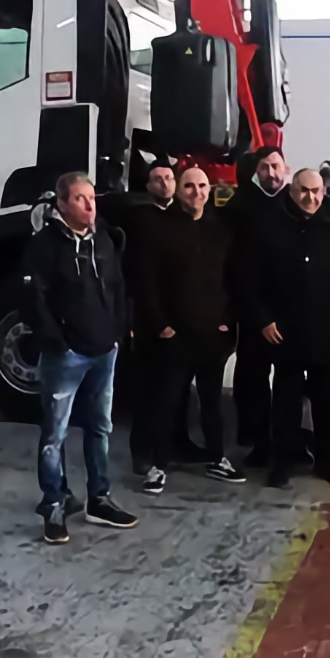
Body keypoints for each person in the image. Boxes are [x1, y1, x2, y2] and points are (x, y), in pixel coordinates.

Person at [22, 172, 138, 545]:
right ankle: (54, 503)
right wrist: (58, 342)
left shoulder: (104, 238)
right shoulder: (44, 246)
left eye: (92, 198)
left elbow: (119, 287)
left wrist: (118, 331)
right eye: (80, 199)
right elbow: (33, 300)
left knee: (100, 428)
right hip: (66, 355)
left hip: (105, 351)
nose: (90, 205)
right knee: (54, 434)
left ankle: (99, 498)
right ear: (61, 204)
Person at [128, 165, 242, 492]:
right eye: (189, 186)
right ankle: (159, 466)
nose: (197, 192)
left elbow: (233, 280)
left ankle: (218, 457)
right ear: (179, 190)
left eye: (202, 186)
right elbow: (146, 282)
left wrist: (228, 322)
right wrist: (161, 326)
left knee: (212, 403)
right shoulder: (158, 229)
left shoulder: (221, 230)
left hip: (212, 336)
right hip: (175, 336)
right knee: (168, 402)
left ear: (210, 190)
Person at [247, 168, 330, 489]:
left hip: (325, 331)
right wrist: (263, 319)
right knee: (285, 402)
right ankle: (284, 461)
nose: (312, 197)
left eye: (317, 191)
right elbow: (251, 279)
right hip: (285, 331)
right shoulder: (269, 228)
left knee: (324, 401)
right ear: (292, 192)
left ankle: (327, 459)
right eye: (304, 191)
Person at [223, 145, 290, 468]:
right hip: (253, 310)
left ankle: (286, 440)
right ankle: (256, 438)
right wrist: (255, 313)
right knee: (252, 380)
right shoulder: (240, 206)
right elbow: (233, 264)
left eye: (276, 166)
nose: (271, 173)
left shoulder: (295, 202)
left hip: (290, 311)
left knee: (290, 381)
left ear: (286, 169)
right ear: (256, 171)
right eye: (265, 168)